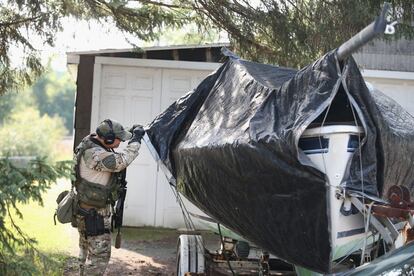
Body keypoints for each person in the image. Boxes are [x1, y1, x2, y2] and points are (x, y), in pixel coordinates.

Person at [73, 119, 145, 276]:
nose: (120, 142)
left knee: (85, 253)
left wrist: (129, 132)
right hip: (94, 215)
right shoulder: (94, 155)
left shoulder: (91, 141)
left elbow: (111, 135)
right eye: (119, 139)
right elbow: (121, 161)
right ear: (109, 139)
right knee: (98, 258)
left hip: (86, 211)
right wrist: (136, 141)